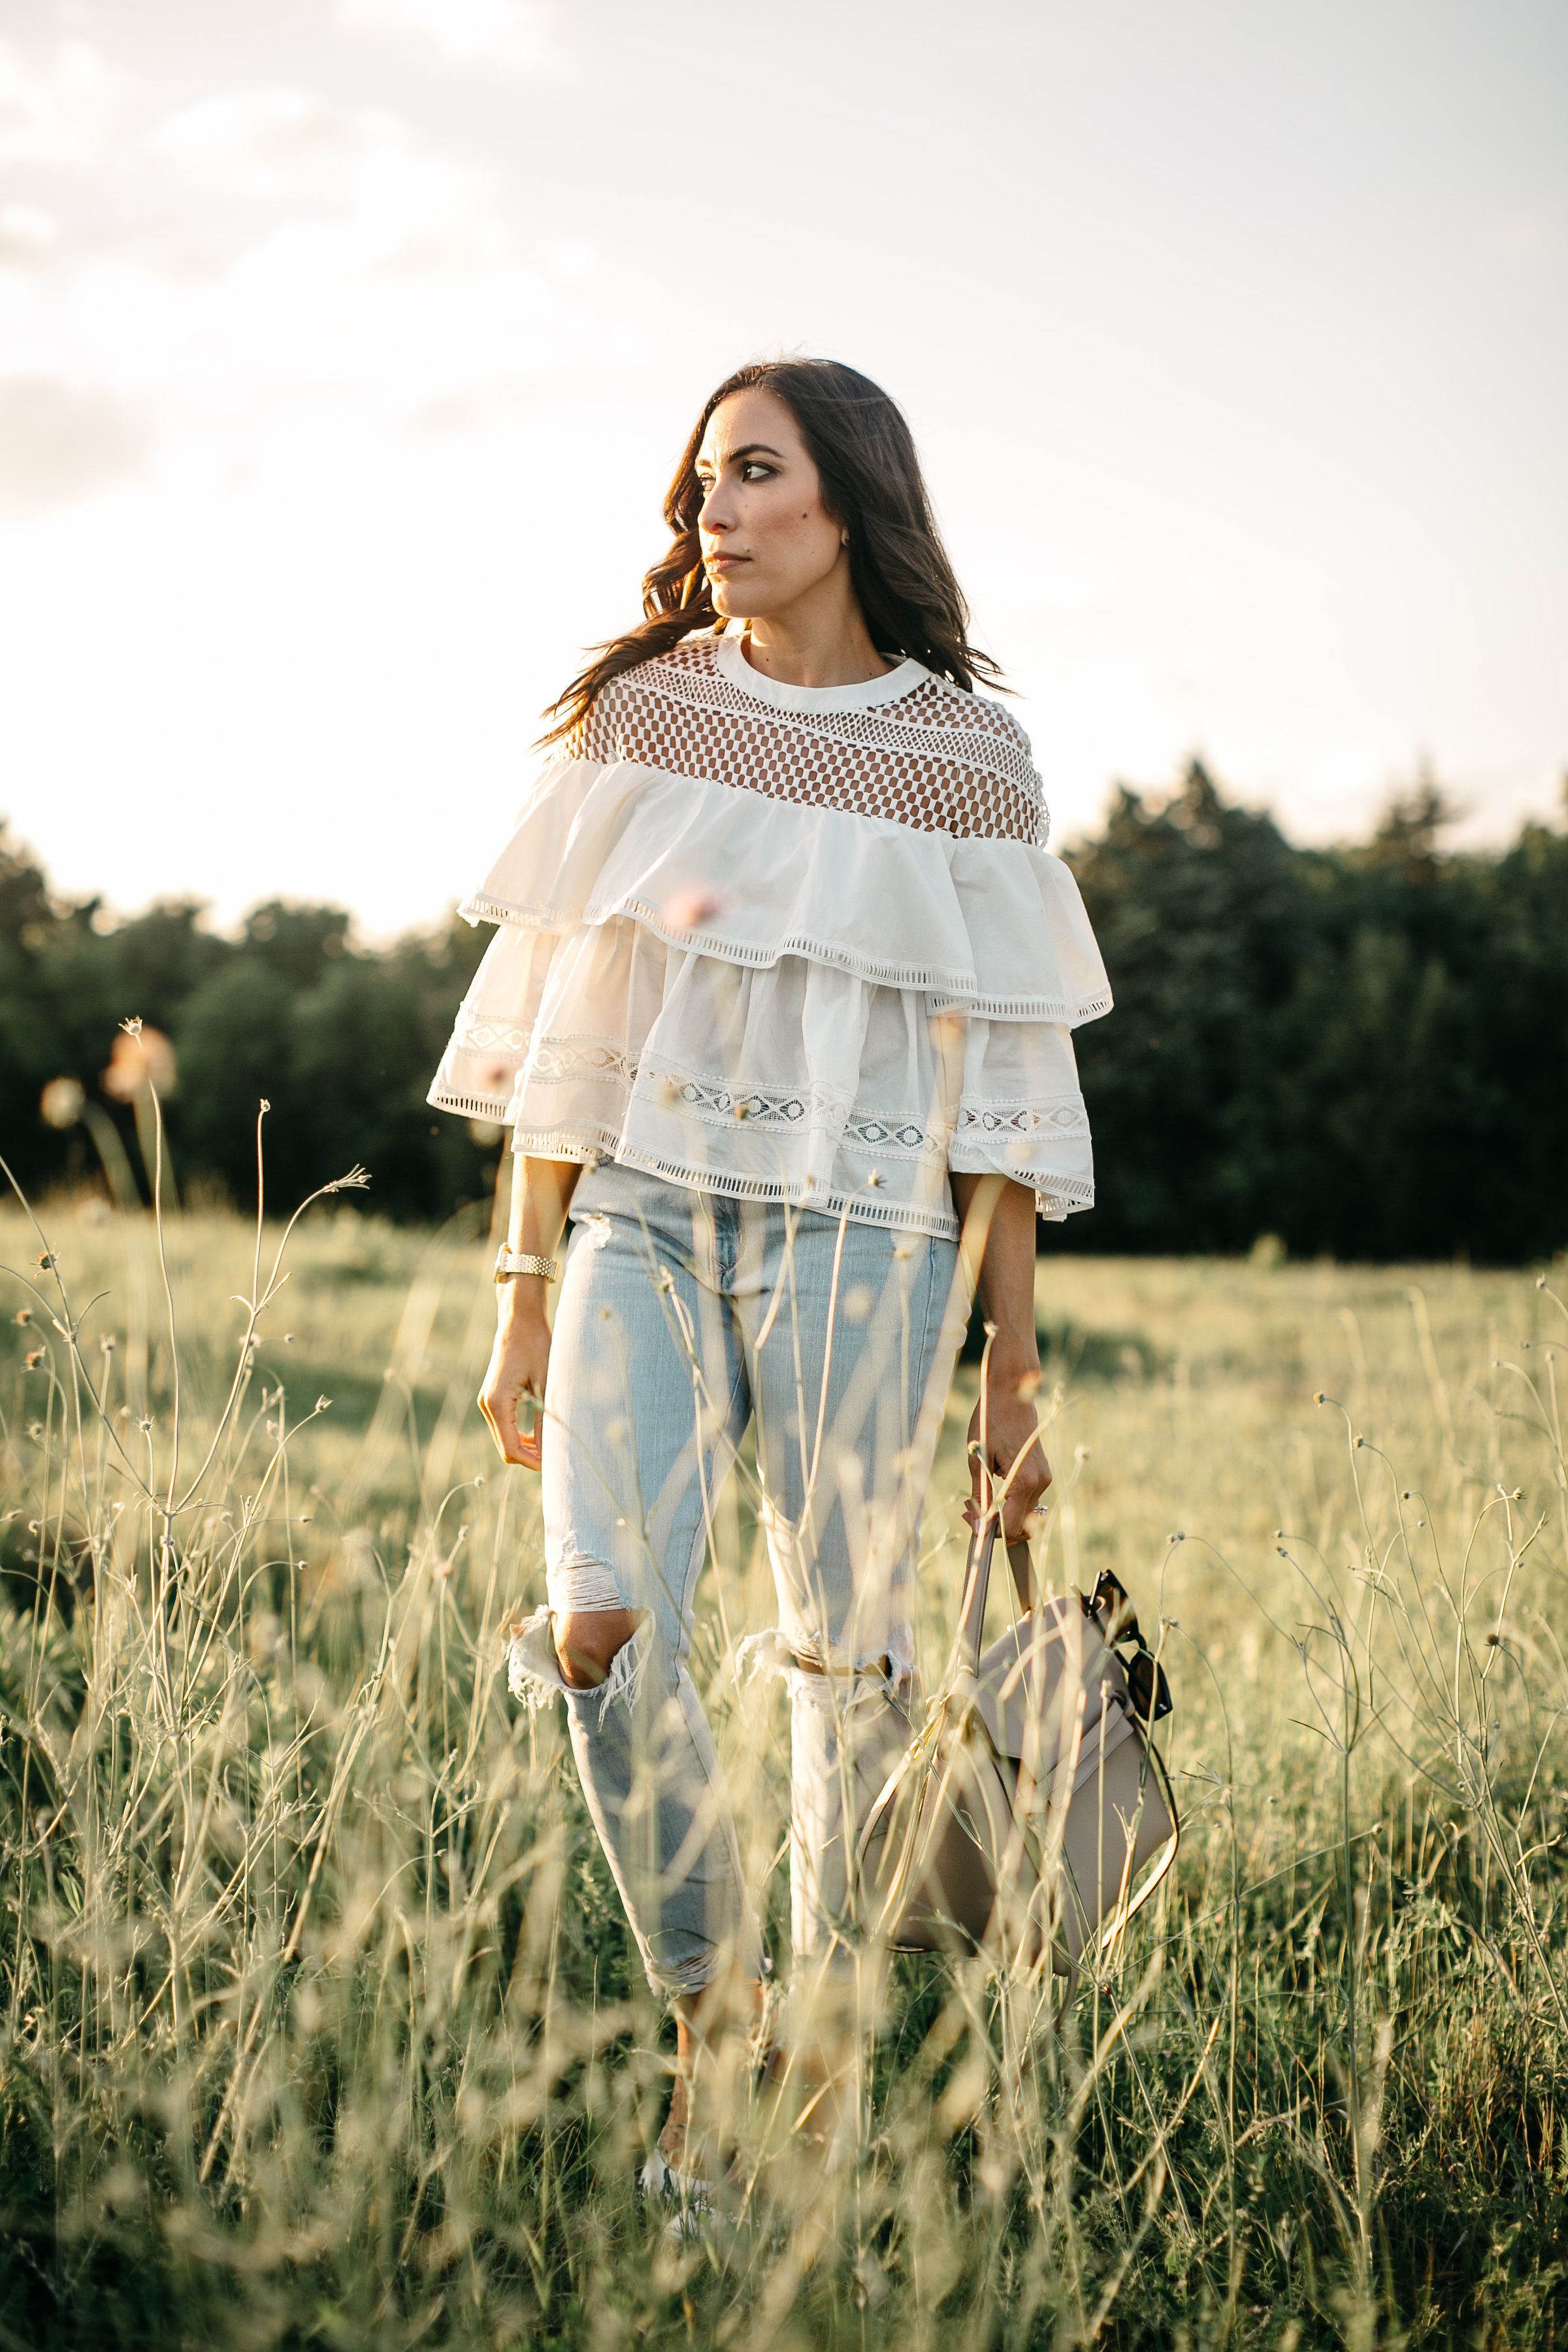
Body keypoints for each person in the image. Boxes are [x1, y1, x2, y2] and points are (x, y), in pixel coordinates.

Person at [428, 357, 1110, 2190]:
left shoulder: (967, 761)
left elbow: (1010, 1084)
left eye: (751, 474)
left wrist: (1013, 1379)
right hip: (643, 1212)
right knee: (597, 1623)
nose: (710, 513)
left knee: (846, 1670)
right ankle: (706, 2019)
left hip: (871, 1238)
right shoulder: (652, 718)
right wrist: (521, 1286)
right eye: (700, 485)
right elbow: (568, 1018)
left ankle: (799, 2087)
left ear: (849, 502)